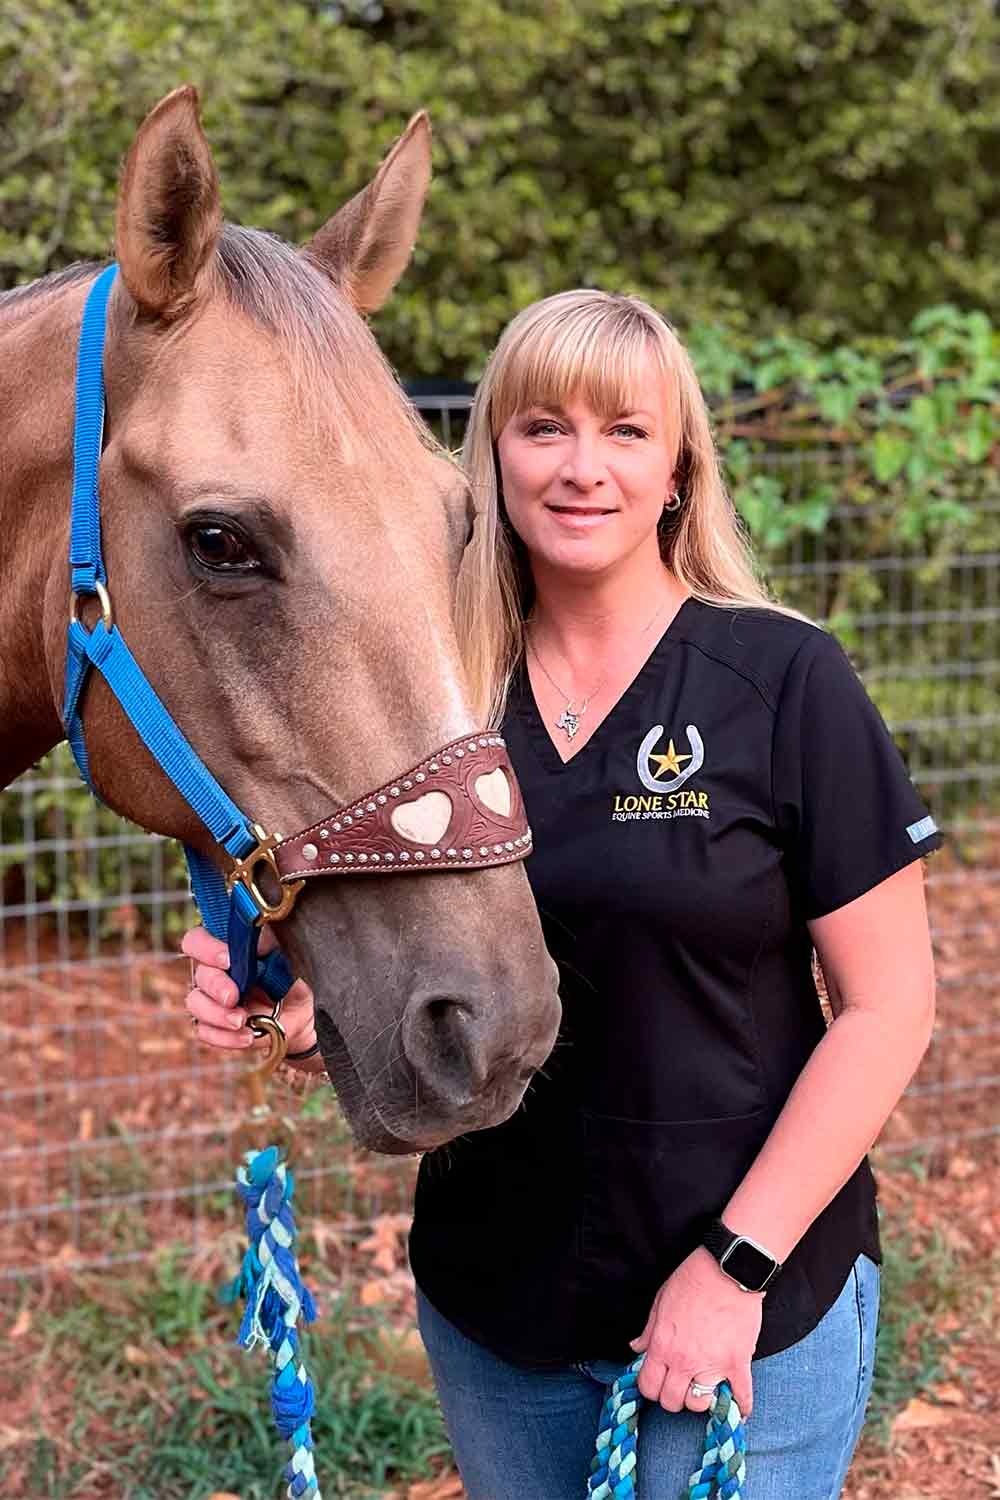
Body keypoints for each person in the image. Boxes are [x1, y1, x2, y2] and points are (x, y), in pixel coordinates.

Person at [182, 290, 941, 1499]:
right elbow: (420, 959)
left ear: (677, 470)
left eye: (625, 431)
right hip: (499, 1309)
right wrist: (296, 1011)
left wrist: (733, 1268)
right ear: (491, 457)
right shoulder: (442, 701)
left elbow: (889, 1007)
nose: (583, 468)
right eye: (543, 428)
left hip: (741, 1316)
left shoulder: (783, 680)